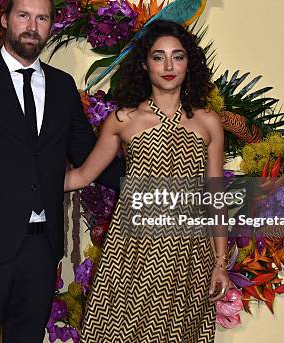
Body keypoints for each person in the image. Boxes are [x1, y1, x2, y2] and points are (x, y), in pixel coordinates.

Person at [0, 0, 124, 343]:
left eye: (42, 18)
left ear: (51, 26)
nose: (32, 26)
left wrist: (152, 185)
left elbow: (89, 156)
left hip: (40, 251)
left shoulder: (63, 87)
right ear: (5, 20)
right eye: (23, 15)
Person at [65, 20, 229, 342]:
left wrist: (220, 262)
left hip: (189, 256)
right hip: (131, 252)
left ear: (188, 64)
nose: (168, 66)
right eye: (158, 57)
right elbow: (83, 176)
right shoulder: (124, 120)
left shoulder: (208, 122)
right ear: (144, 63)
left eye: (177, 56)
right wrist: (19, 180)